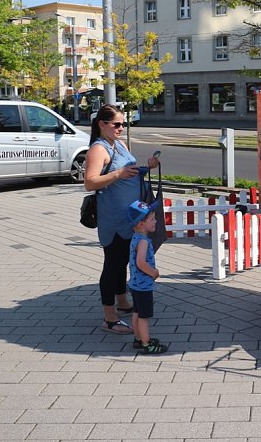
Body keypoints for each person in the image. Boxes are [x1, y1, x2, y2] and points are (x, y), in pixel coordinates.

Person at [84, 103, 159, 335]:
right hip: (114, 218)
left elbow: (130, 171)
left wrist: (147, 167)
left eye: (123, 123)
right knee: (113, 265)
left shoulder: (119, 144)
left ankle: (123, 302)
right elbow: (90, 182)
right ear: (102, 124)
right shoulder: (98, 149)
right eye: (116, 124)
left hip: (131, 216)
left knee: (124, 261)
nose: (121, 127)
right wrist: (118, 174)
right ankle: (109, 318)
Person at [126, 200, 167, 354]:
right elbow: (141, 262)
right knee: (144, 316)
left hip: (135, 284)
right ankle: (146, 343)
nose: (155, 221)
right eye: (152, 219)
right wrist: (153, 272)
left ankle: (138, 338)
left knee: (137, 312)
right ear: (142, 224)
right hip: (143, 286)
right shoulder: (143, 242)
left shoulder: (136, 238)